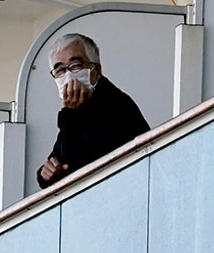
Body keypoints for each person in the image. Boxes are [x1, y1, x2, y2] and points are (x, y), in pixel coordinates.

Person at [37, 33, 150, 188]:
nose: (68, 75)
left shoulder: (114, 105)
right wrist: (45, 173)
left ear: (96, 70)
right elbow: (60, 156)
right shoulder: (81, 108)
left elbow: (77, 160)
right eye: (60, 70)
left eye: (75, 65)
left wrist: (70, 113)